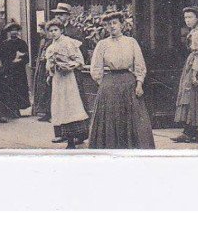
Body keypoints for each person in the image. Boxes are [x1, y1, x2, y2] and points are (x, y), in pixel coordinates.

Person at [89, 11, 155, 149]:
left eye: (114, 23)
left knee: (133, 120)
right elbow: (96, 68)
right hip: (109, 85)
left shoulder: (131, 42)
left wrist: (139, 83)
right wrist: (103, 85)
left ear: (122, 25)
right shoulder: (102, 44)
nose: (112, 27)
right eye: (108, 24)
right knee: (110, 120)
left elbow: (139, 64)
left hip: (128, 83)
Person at [44, 18, 89, 148]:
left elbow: (80, 60)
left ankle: (75, 139)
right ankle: (65, 136)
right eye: (51, 31)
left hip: (69, 79)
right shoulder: (51, 47)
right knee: (60, 107)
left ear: (61, 30)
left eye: (55, 30)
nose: (53, 33)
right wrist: (51, 71)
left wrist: (69, 65)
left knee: (71, 106)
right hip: (58, 80)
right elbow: (49, 65)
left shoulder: (69, 43)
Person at [173, 7, 198, 143]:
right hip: (190, 64)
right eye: (185, 17)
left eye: (190, 17)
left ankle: (189, 131)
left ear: (197, 18)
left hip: (194, 67)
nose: (187, 20)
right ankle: (190, 131)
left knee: (190, 96)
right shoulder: (193, 31)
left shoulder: (197, 33)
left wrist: (194, 74)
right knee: (188, 96)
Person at [3, 22, 31, 113]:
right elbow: (3, 58)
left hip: (19, 71)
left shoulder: (22, 43)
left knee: (19, 89)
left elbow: (27, 58)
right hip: (9, 71)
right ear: (9, 32)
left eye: (15, 30)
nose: (13, 32)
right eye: (11, 31)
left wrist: (20, 60)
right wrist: (10, 62)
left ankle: (18, 109)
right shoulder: (5, 44)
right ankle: (10, 109)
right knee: (10, 89)